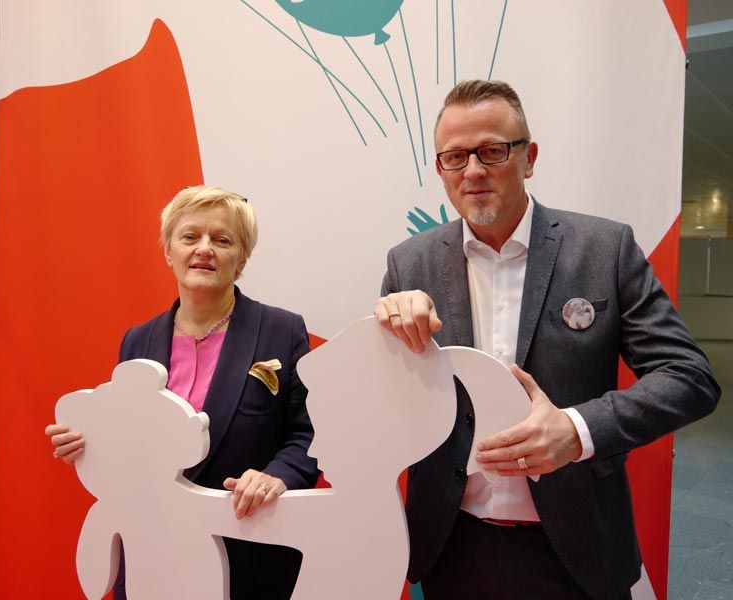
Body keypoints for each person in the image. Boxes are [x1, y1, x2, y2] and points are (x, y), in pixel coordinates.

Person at [375, 80, 720, 600]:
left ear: (529, 157)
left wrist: (576, 431)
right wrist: (385, 342)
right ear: (441, 168)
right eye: (455, 157)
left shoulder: (605, 249)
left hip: (576, 550)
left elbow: (689, 378)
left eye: (492, 150)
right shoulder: (409, 264)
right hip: (451, 546)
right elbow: (388, 409)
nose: (473, 170)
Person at [46, 185, 319, 599]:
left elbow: (307, 435)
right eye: (190, 236)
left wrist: (276, 476)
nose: (204, 249)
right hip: (150, 560)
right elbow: (130, 446)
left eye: (222, 240)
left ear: (242, 259)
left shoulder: (283, 331)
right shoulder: (136, 342)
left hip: (248, 557)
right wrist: (90, 446)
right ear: (168, 252)